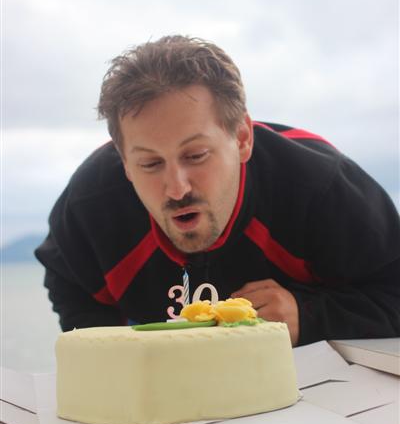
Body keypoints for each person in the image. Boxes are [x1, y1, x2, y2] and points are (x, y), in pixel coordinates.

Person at [35, 35, 400, 346]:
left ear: (241, 138)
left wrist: (309, 317)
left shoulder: (321, 189)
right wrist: (114, 355)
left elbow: (392, 293)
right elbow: (71, 284)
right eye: (150, 163)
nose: (176, 188)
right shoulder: (90, 205)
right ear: (125, 163)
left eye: (196, 155)